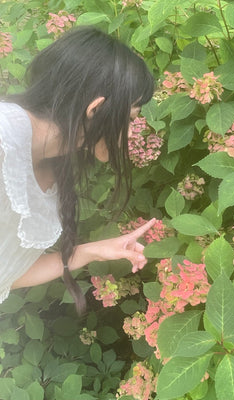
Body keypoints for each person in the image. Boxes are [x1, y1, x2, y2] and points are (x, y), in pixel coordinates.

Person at [0, 26, 156, 313]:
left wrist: (91, 251)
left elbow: (9, 273)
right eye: (132, 118)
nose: (133, 132)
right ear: (96, 109)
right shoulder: (4, 137)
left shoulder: (51, 171)